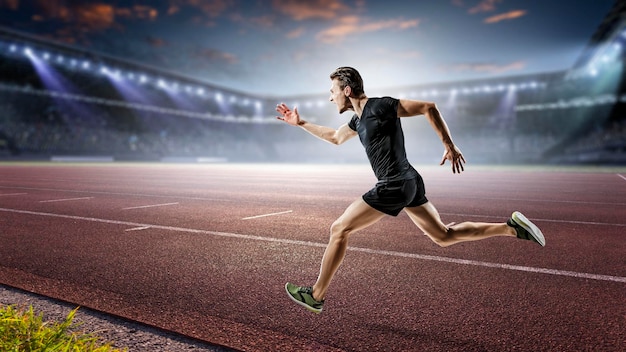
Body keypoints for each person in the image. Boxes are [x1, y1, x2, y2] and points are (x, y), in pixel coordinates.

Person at [276, 66, 544, 314]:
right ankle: (511, 228)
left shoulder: (380, 106)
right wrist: (300, 123)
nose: (330, 98)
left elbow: (428, 107)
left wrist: (449, 145)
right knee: (443, 236)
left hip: (394, 183)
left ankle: (316, 295)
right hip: (408, 181)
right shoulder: (357, 121)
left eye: (333, 92)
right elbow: (335, 138)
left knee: (339, 229)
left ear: (347, 90)